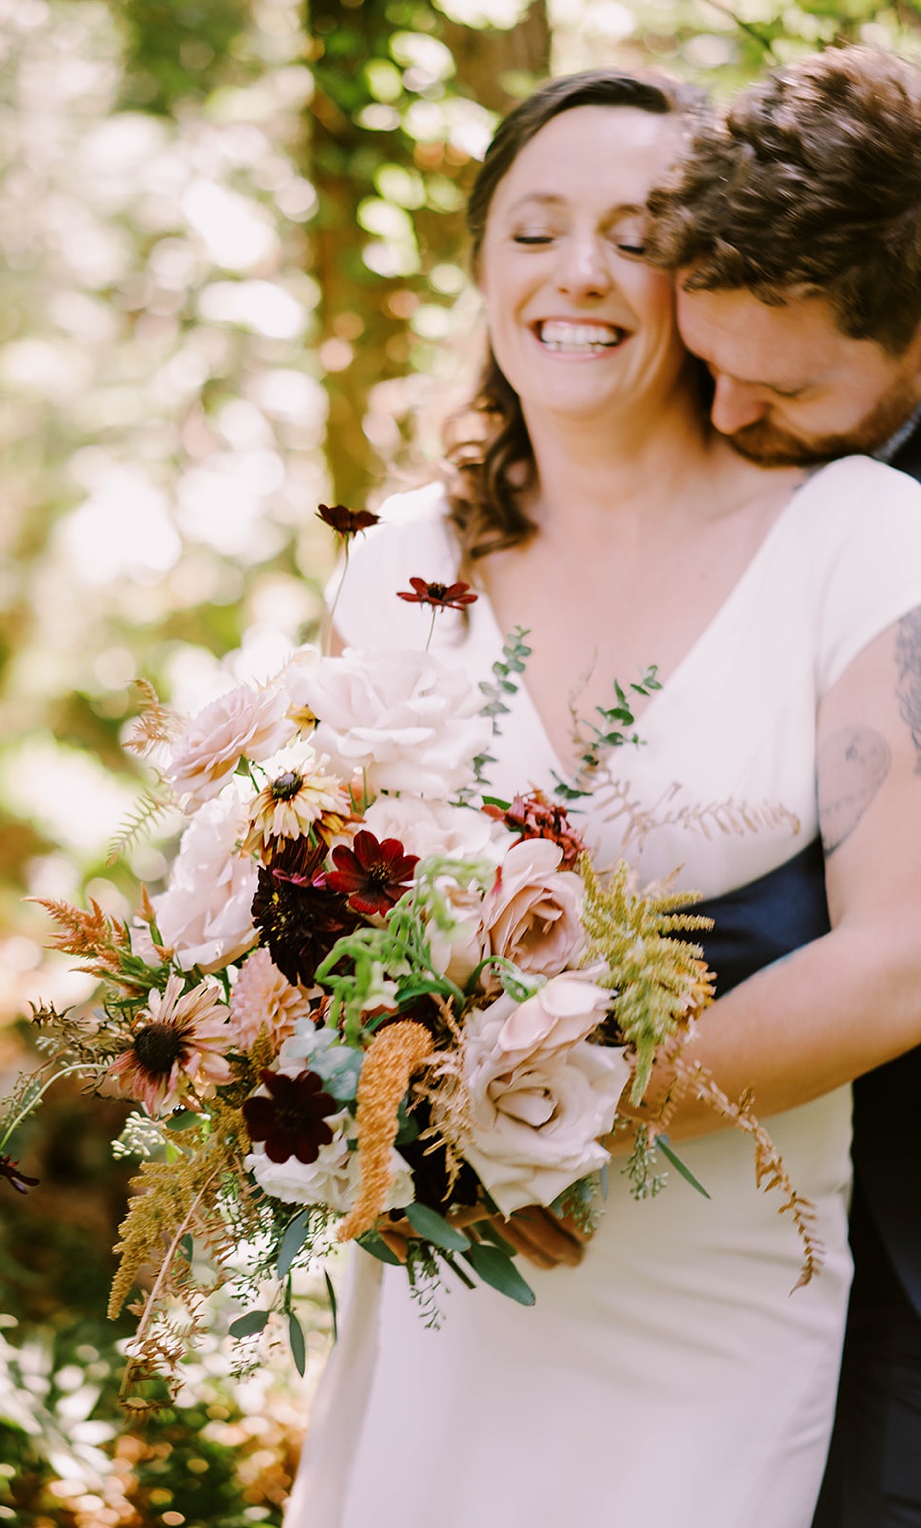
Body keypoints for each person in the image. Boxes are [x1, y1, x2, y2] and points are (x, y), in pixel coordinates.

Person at [284, 68, 921, 1528]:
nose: (578, 272)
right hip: (444, 1289)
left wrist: (541, 1128)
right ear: (480, 264)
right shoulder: (396, 559)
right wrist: (363, 1118)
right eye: (532, 228)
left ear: (703, 274)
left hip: (715, 1296)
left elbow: (904, 954)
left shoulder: (862, 536)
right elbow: (303, 909)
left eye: (635, 233)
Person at [646, 47, 921, 1528]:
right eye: (714, 365)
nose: (735, 416)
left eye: (791, 383)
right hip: (766, 1228)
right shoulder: (736, 466)